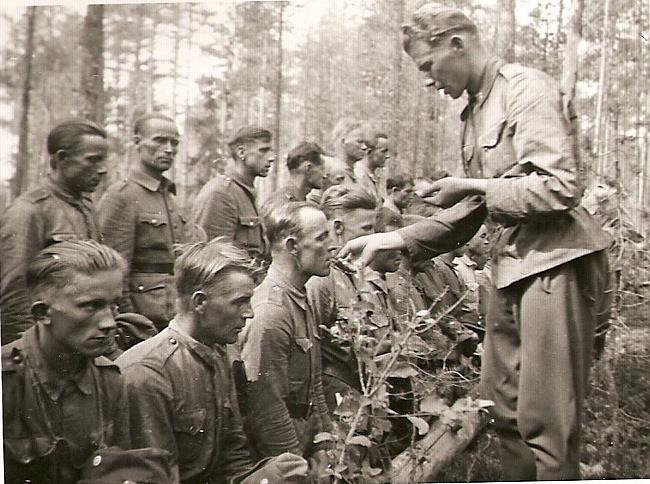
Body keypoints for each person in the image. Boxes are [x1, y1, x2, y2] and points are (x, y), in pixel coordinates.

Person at [340, 3, 612, 479]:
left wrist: (477, 187)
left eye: (428, 65)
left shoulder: (524, 89)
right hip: (512, 268)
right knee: (502, 408)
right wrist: (399, 237)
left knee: (545, 423)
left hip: (555, 264)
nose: (428, 80)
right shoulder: (476, 111)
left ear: (457, 45)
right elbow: (476, 209)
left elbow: (560, 186)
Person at [116, 240, 309, 484]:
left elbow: (233, 452)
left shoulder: (217, 354)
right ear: (199, 303)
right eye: (239, 302)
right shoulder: (149, 374)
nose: (250, 313)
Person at [2, 240, 130, 484]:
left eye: (114, 305)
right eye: (90, 306)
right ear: (42, 313)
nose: (110, 322)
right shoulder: (6, 381)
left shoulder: (109, 380)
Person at [239, 202, 334, 480]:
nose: (333, 246)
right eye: (322, 238)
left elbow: (314, 382)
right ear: (293, 246)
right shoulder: (272, 311)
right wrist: (297, 473)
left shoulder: (300, 297)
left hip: (300, 441)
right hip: (275, 456)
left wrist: (323, 444)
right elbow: (267, 408)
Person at [1, 119, 108, 343]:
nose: (103, 169)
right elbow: (15, 294)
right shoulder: (30, 211)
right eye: (93, 160)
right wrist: (26, 355)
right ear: (61, 158)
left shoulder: (87, 208)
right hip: (48, 343)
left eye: (103, 160)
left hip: (82, 335)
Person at [98, 113, 191, 332]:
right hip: (141, 321)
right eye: (159, 140)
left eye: (174, 143)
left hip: (171, 316)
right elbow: (114, 271)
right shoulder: (122, 196)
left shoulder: (169, 197)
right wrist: (129, 324)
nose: (169, 149)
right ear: (138, 142)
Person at [306, 185, 379, 410]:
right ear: (338, 227)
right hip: (332, 399)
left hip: (355, 392)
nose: (374, 237)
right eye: (367, 228)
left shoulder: (350, 273)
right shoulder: (321, 280)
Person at [191, 126, 275, 266]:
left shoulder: (244, 193)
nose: (271, 158)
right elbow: (211, 260)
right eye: (263, 150)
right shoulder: (220, 193)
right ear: (242, 152)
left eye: (271, 151)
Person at [262, 141, 328, 207]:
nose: (325, 176)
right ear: (308, 168)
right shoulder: (282, 202)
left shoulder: (298, 200)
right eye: (322, 169)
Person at [352, 128, 390, 202]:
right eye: (383, 151)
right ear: (369, 152)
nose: (387, 156)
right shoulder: (359, 175)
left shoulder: (375, 176)